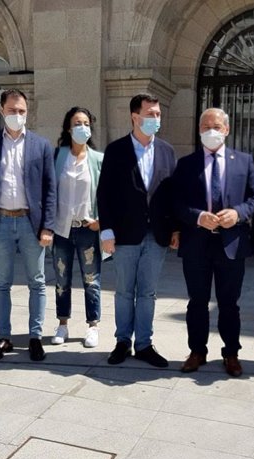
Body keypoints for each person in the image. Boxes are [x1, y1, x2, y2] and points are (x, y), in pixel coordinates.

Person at [173, 108, 254, 377]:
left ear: (227, 129)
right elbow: (176, 203)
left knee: (229, 303)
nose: (212, 130)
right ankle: (197, 351)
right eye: (206, 126)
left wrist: (238, 213)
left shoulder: (243, 161)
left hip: (231, 243)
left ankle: (231, 353)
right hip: (197, 244)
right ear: (199, 130)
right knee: (197, 301)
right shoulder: (186, 164)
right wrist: (197, 217)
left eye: (217, 126)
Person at [96, 93, 177, 367]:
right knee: (124, 292)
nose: (155, 119)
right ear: (135, 117)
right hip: (124, 234)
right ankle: (122, 342)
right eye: (150, 114)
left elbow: (170, 195)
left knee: (148, 293)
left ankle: (144, 344)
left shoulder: (166, 150)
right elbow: (104, 193)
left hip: (157, 237)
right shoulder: (116, 150)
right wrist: (106, 231)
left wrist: (175, 229)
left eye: (158, 114)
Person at [0, 89, 56, 362]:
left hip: (30, 224)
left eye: (21, 111)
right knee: (1, 283)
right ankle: (4, 337)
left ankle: (35, 337)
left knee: (37, 282)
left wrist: (48, 226)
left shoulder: (40, 145)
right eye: (12, 110)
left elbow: (50, 188)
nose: (17, 115)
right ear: (1, 111)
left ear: (27, 112)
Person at [50, 107, 104, 348]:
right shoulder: (57, 156)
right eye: (77, 123)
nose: (82, 127)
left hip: (87, 229)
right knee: (62, 279)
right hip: (62, 230)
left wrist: (101, 221)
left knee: (91, 280)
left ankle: (93, 326)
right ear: (68, 128)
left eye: (86, 123)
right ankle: (62, 324)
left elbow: (106, 195)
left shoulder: (98, 159)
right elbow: (48, 191)